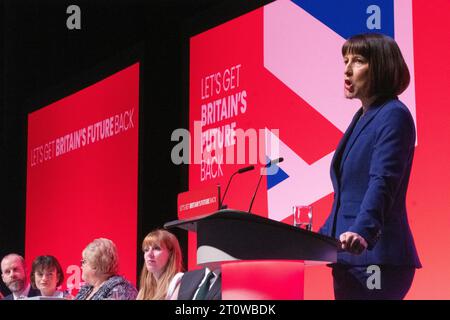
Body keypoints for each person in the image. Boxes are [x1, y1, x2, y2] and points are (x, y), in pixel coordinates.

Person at [319, 33, 421, 300]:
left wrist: (362, 231)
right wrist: (314, 238)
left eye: (358, 61)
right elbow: (348, 195)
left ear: (381, 67)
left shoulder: (393, 115)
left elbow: (383, 180)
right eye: (345, 60)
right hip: (349, 259)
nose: (347, 69)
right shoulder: (364, 117)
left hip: (375, 257)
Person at [136, 229, 183, 300]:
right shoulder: (143, 291)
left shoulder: (179, 284)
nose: (149, 254)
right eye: (146, 250)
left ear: (171, 254)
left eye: (156, 248)